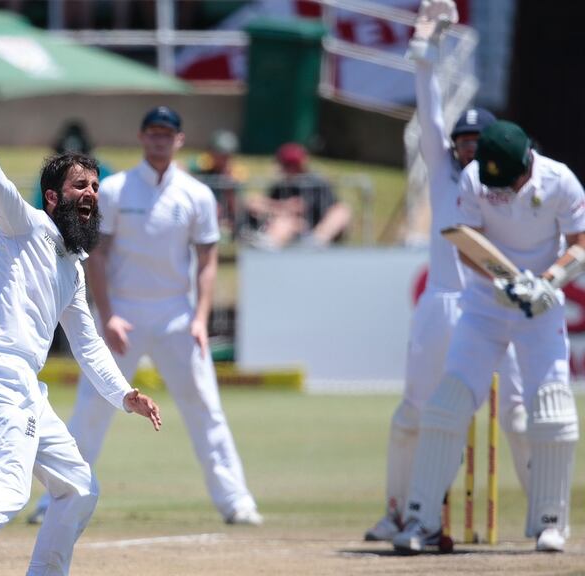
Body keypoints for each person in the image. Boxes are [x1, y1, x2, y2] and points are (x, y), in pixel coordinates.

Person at [0, 85, 162, 576]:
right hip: (2, 372)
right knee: (7, 486)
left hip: (27, 386)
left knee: (78, 487)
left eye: (94, 186)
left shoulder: (74, 265)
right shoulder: (24, 225)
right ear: (53, 197)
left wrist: (124, 394)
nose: (90, 194)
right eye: (79, 186)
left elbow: (88, 344)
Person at [27, 105, 262, 527]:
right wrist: (109, 314)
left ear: (179, 140)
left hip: (177, 313)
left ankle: (236, 501)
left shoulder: (196, 194)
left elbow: (208, 259)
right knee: (93, 408)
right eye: (152, 132)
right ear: (141, 137)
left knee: (205, 407)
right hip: (124, 314)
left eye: (166, 133)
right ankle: (56, 499)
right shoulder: (115, 190)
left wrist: (200, 318)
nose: (159, 139)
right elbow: (97, 258)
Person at [363, 0, 530, 542]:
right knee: (414, 415)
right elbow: (430, 107)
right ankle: (400, 512)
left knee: (523, 416)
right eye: (464, 142)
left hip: (497, 307)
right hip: (442, 304)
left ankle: (543, 518)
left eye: (481, 144)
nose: (470, 151)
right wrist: (427, 45)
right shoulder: (443, 173)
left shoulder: (513, 188)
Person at [392, 119, 583, 554]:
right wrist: (503, 281)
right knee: (447, 404)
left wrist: (548, 281)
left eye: (508, 181)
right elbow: (467, 241)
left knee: (552, 409)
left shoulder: (560, 180)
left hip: (540, 308)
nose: (500, 190)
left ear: (527, 163)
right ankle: (421, 520)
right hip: (484, 305)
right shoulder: (478, 176)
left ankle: (550, 522)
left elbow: (581, 242)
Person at [243, 142, 350, 249]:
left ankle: (316, 242)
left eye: (294, 164)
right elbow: (257, 204)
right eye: (287, 164)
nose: (291, 168)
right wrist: (283, 206)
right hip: (292, 228)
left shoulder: (317, 183)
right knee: (284, 222)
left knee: (342, 210)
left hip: (316, 230)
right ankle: (267, 245)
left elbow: (321, 208)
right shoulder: (280, 186)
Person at [189, 128, 247, 240]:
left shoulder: (235, 174)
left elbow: (237, 210)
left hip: (223, 220)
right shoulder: (200, 167)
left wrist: (229, 188)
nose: (224, 159)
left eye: (228, 155)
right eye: (220, 154)